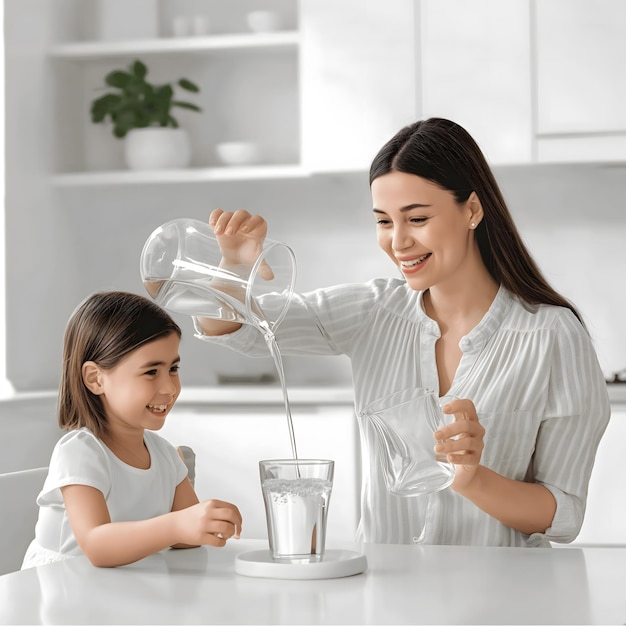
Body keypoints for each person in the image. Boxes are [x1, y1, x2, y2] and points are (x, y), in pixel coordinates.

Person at [194, 117, 610, 548]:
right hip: (386, 595)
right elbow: (239, 331)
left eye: (416, 218)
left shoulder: (552, 335)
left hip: (498, 599)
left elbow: (564, 515)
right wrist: (233, 270)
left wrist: (472, 479)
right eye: (384, 222)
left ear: (471, 210)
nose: (398, 242)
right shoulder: (371, 312)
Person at [22, 291, 242, 569]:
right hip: (59, 589)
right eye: (151, 372)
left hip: (119, 589)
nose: (169, 388)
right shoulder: (80, 452)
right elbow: (98, 545)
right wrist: (177, 525)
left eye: (173, 368)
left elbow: (185, 540)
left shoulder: (164, 454)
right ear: (95, 379)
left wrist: (205, 521)